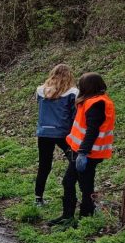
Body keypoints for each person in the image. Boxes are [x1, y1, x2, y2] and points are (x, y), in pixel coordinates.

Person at [48, 73, 116, 226]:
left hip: (88, 153)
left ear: (88, 87)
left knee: (85, 186)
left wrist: (83, 153)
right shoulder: (91, 101)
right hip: (80, 151)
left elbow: (92, 131)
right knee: (68, 182)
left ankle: (85, 217)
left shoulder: (97, 104)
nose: (79, 87)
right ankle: (68, 215)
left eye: (81, 85)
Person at [34, 64, 78, 207]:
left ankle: (38, 198)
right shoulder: (72, 92)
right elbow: (74, 115)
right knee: (75, 162)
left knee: (44, 165)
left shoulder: (41, 90)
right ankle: (78, 196)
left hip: (44, 132)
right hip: (63, 133)